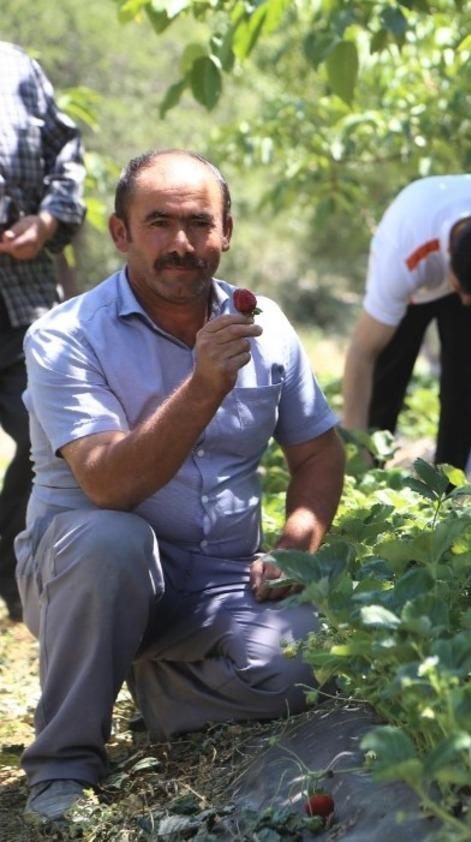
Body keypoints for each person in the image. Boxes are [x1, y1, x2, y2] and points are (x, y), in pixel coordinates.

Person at [16, 150, 345, 823]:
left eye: (200, 224)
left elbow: (317, 452)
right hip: (87, 576)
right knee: (113, 539)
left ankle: (157, 689)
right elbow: (109, 483)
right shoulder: (66, 336)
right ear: (120, 233)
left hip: (218, 581)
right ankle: (64, 764)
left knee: (308, 671)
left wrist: (298, 543)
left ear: (227, 233)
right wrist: (204, 385)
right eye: (158, 223)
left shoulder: (267, 326)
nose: (181, 244)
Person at [341, 174, 471, 470]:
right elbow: (361, 354)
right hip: (415, 275)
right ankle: (370, 472)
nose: (465, 303)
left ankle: (449, 490)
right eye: (461, 292)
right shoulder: (401, 259)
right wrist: (355, 449)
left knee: (463, 379)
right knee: (389, 374)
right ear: (447, 260)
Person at [0, 42, 86, 623]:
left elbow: (67, 154)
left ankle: (14, 579)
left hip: (19, 294)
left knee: (52, 442)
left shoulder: (18, 67)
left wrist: (49, 219)